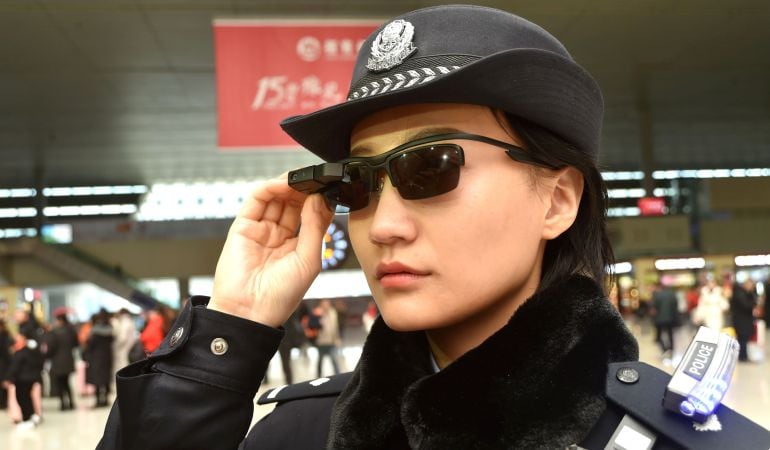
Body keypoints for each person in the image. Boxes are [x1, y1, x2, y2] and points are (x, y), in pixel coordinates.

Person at [98, 5, 770, 449]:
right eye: (357, 184)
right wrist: (228, 331)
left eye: (432, 168)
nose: (383, 225)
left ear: (558, 200)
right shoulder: (298, 435)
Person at [3, 332, 44, 429]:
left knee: (22, 399)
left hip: (22, 380)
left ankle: (27, 420)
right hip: (30, 378)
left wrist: (8, 378)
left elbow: (15, 367)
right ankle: (32, 416)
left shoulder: (20, 353)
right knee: (27, 398)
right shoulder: (31, 351)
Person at [46, 311, 79, 410]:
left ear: (60, 320)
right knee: (67, 382)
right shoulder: (71, 331)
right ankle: (71, 403)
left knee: (60, 384)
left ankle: (63, 404)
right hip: (68, 360)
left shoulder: (54, 332)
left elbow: (51, 347)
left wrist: (48, 356)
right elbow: (76, 344)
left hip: (57, 361)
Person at [83, 310, 114, 408]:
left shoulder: (94, 332)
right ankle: (105, 399)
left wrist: (86, 355)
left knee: (97, 380)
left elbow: (89, 346)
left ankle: (98, 400)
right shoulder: (110, 331)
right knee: (105, 380)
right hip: (107, 358)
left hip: (96, 358)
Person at [730, 278, 757, 362]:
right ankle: (742, 357)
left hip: (745, 320)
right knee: (742, 339)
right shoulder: (740, 294)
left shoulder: (744, 293)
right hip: (741, 321)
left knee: (744, 339)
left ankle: (743, 356)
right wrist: (753, 301)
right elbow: (747, 305)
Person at [314, 299, 341, 377]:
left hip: (331, 341)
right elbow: (314, 325)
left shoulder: (333, 312)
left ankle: (338, 376)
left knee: (334, 360)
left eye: (327, 303)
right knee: (320, 360)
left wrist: (337, 339)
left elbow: (335, 327)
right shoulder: (318, 313)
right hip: (321, 341)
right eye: (324, 304)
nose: (326, 305)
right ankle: (318, 376)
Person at [651, 282, 679, 357]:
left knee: (659, 336)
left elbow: (654, 309)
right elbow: (676, 307)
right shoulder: (672, 295)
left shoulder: (657, 295)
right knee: (670, 334)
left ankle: (664, 349)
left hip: (659, 319)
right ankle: (671, 349)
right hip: (670, 318)